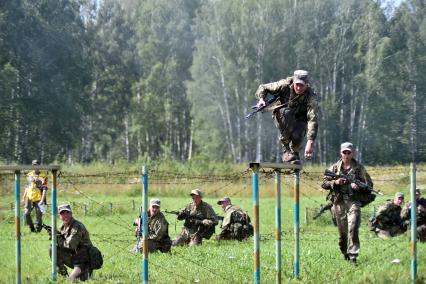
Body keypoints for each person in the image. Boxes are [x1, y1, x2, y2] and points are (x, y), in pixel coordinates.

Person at [321, 142, 373, 265]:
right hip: (338, 203)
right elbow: (324, 184)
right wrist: (336, 182)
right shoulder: (334, 168)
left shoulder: (359, 168)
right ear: (341, 153)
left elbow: (369, 185)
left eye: (348, 152)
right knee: (342, 233)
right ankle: (345, 252)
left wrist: (358, 186)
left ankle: (353, 255)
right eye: (344, 152)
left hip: (353, 201)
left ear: (352, 153)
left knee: (353, 228)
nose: (346, 154)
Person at [255, 70, 319, 163]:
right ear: (293, 82)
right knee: (287, 113)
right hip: (282, 116)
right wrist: (261, 99)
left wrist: (310, 141)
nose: (299, 88)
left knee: (299, 131)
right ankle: (286, 150)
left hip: (298, 120)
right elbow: (263, 87)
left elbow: (312, 119)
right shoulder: (284, 85)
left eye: (302, 85)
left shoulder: (311, 96)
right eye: (297, 84)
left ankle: (294, 154)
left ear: (307, 85)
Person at [50, 204, 94, 281]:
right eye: (62, 213)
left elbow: (70, 245)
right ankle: (63, 273)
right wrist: (57, 234)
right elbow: (64, 242)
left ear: (71, 213)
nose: (65, 215)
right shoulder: (63, 226)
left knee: (73, 279)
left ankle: (85, 271)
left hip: (84, 259)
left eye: (67, 213)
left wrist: (57, 237)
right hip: (74, 256)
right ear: (59, 216)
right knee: (53, 248)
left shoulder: (77, 226)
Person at [23, 160, 48, 232]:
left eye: (36, 165)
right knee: (26, 213)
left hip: (39, 197)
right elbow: (27, 186)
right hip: (29, 196)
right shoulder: (29, 174)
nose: (35, 166)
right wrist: (23, 197)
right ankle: (31, 227)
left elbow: (45, 188)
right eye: (34, 165)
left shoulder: (44, 175)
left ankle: (39, 228)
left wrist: (43, 200)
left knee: (39, 213)